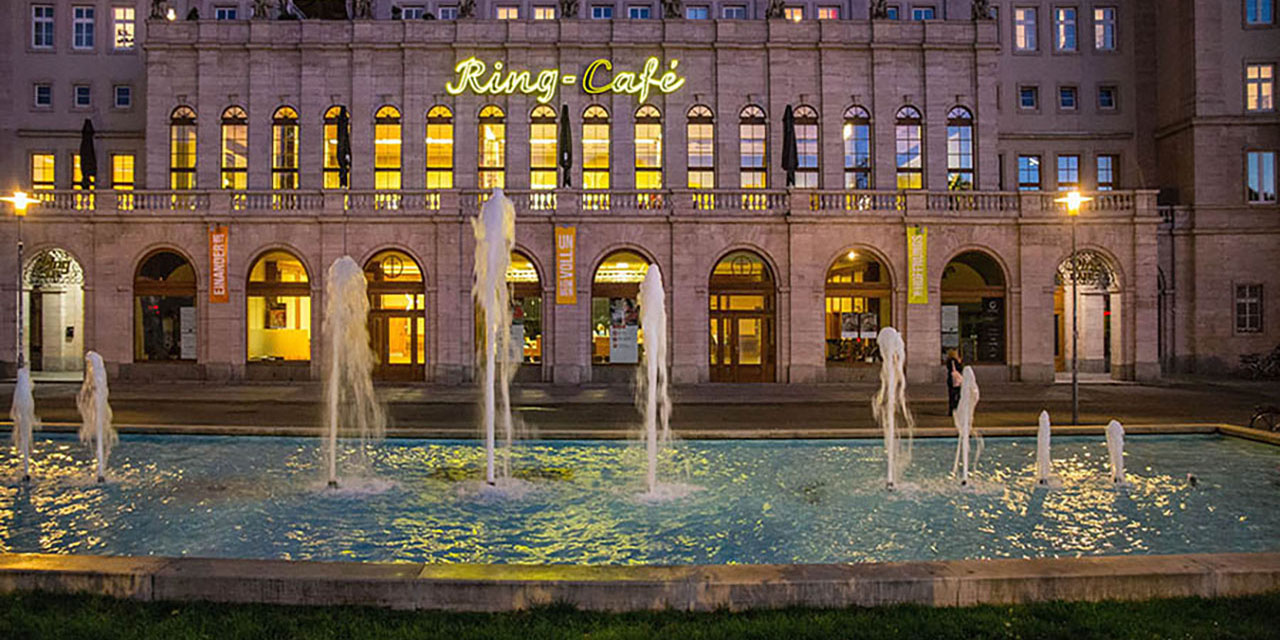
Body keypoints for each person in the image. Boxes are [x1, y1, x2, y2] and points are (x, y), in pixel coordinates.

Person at [945, 349, 963, 416]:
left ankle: (951, 410)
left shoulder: (948, 361)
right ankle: (955, 409)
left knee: (951, 396)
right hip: (955, 381)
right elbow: (959, 369)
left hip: (951, 380)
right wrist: (959, 362)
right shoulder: (954, 361)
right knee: (957, 395)